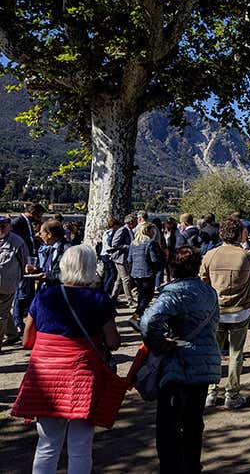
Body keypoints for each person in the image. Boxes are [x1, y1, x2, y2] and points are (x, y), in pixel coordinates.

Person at [12, 245, 121, 474]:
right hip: (82, 378)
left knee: (47, 445)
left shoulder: (43, 296)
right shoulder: (98, 299)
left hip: (45, 378)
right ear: (91, 268)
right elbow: (113, 342)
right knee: (80, 446)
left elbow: (26, 341)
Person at [140, 246, 221, 474]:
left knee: (168, 426)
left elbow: (148, 322)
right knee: (194, 422)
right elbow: (215, 322)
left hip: (178, 363)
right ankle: (192, 466)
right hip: (204, 362)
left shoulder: (174, 293)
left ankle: (172, 469)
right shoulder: (209, 292)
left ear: (171, 268)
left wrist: (157, 343)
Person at [200, 219, 250, 409]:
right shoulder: (245, 255)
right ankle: (232, 393)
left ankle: (211, 392)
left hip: (217, 311)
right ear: (240, 234)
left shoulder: (211, 255)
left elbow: (202, 280)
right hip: (240, 311)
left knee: (214, 352)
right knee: (236, 353)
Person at [8, 203, 44, 343]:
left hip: (28, 261)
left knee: (26, 293)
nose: (40, 218)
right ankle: (18, 322)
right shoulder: (17, 222)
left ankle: (21, 322)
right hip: (22, 263)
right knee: (20, 294)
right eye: (40, 215)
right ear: (34, 213)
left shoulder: (26, 222)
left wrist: (33, 238)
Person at [0, 216, 29, 350]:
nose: (1, 229)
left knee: (1, 314)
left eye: (4, 226)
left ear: (10, 226)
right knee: (4, 311)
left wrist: (21, 277)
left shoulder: (17, 242)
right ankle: (12, 334)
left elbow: (24, 261)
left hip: (6, 284)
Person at [129, 223, 163, 324]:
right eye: (152, 231)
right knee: (149, 294)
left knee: (141, 294)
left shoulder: (133, 243)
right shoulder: (150, 243)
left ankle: (140, 312)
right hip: (147, 272)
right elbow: (153, 259)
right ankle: (137, 313)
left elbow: (129, 259)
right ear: (147, 231)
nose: (153, 233)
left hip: (135, 272)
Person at [109, 214, 137, 307]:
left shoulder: (129, 230)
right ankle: (130, 300)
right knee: (126, 279)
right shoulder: (122, 230)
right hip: (120, 258)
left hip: (125, 258)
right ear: (130, 223)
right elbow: (114, 244)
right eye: (135, 221)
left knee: (120, 280)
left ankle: (113, 299)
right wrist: (128, 247)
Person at [37, 220, 72, 288]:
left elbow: (69, 274)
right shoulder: (52, 248)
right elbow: (50, 268)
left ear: (49, 235)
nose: (40, 236)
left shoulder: (67, 250)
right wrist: (36, 269)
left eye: (41, 233)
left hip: (59, 290)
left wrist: (48, 276)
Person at [99, 218, 120, 296]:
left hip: (103, 254)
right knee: (113, 274)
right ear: (115, 225)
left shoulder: (105, 232)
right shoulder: (113, 233)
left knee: (107, 274)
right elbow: (111, 244)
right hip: (109, 254)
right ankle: (106, 290)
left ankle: (104, 290)